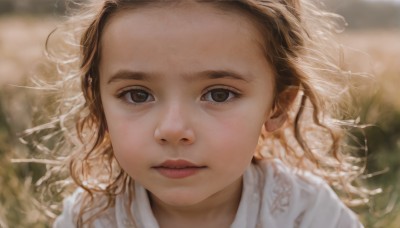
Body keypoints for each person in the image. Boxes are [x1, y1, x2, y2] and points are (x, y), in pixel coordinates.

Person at [34, 0, 367, 227]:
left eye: (219, 94)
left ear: (277, 105)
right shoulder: (90, 218)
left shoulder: (306, 214)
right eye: (137, 95)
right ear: (99, 105)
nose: (173, 129)